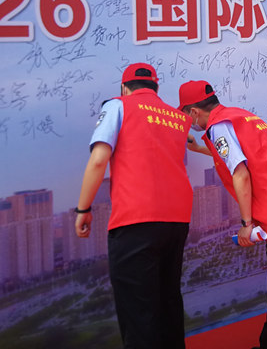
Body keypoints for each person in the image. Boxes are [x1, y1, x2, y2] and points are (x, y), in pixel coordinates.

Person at [178, 80, 267, 349]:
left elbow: (240, 173)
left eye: (187, 115)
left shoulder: (217, 127)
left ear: (193, 112)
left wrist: (246, 223)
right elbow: (235, 153)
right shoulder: (239, 116)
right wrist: (198, 148)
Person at [75, 63, 193, 349]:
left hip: (136, 220)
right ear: (156, 87)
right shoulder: (179, 118)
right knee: (168, 303)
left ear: (124, 88)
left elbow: (99, 160)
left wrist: (83, 209)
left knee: (139, 313)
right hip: (177, 220)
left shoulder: (117, 105)